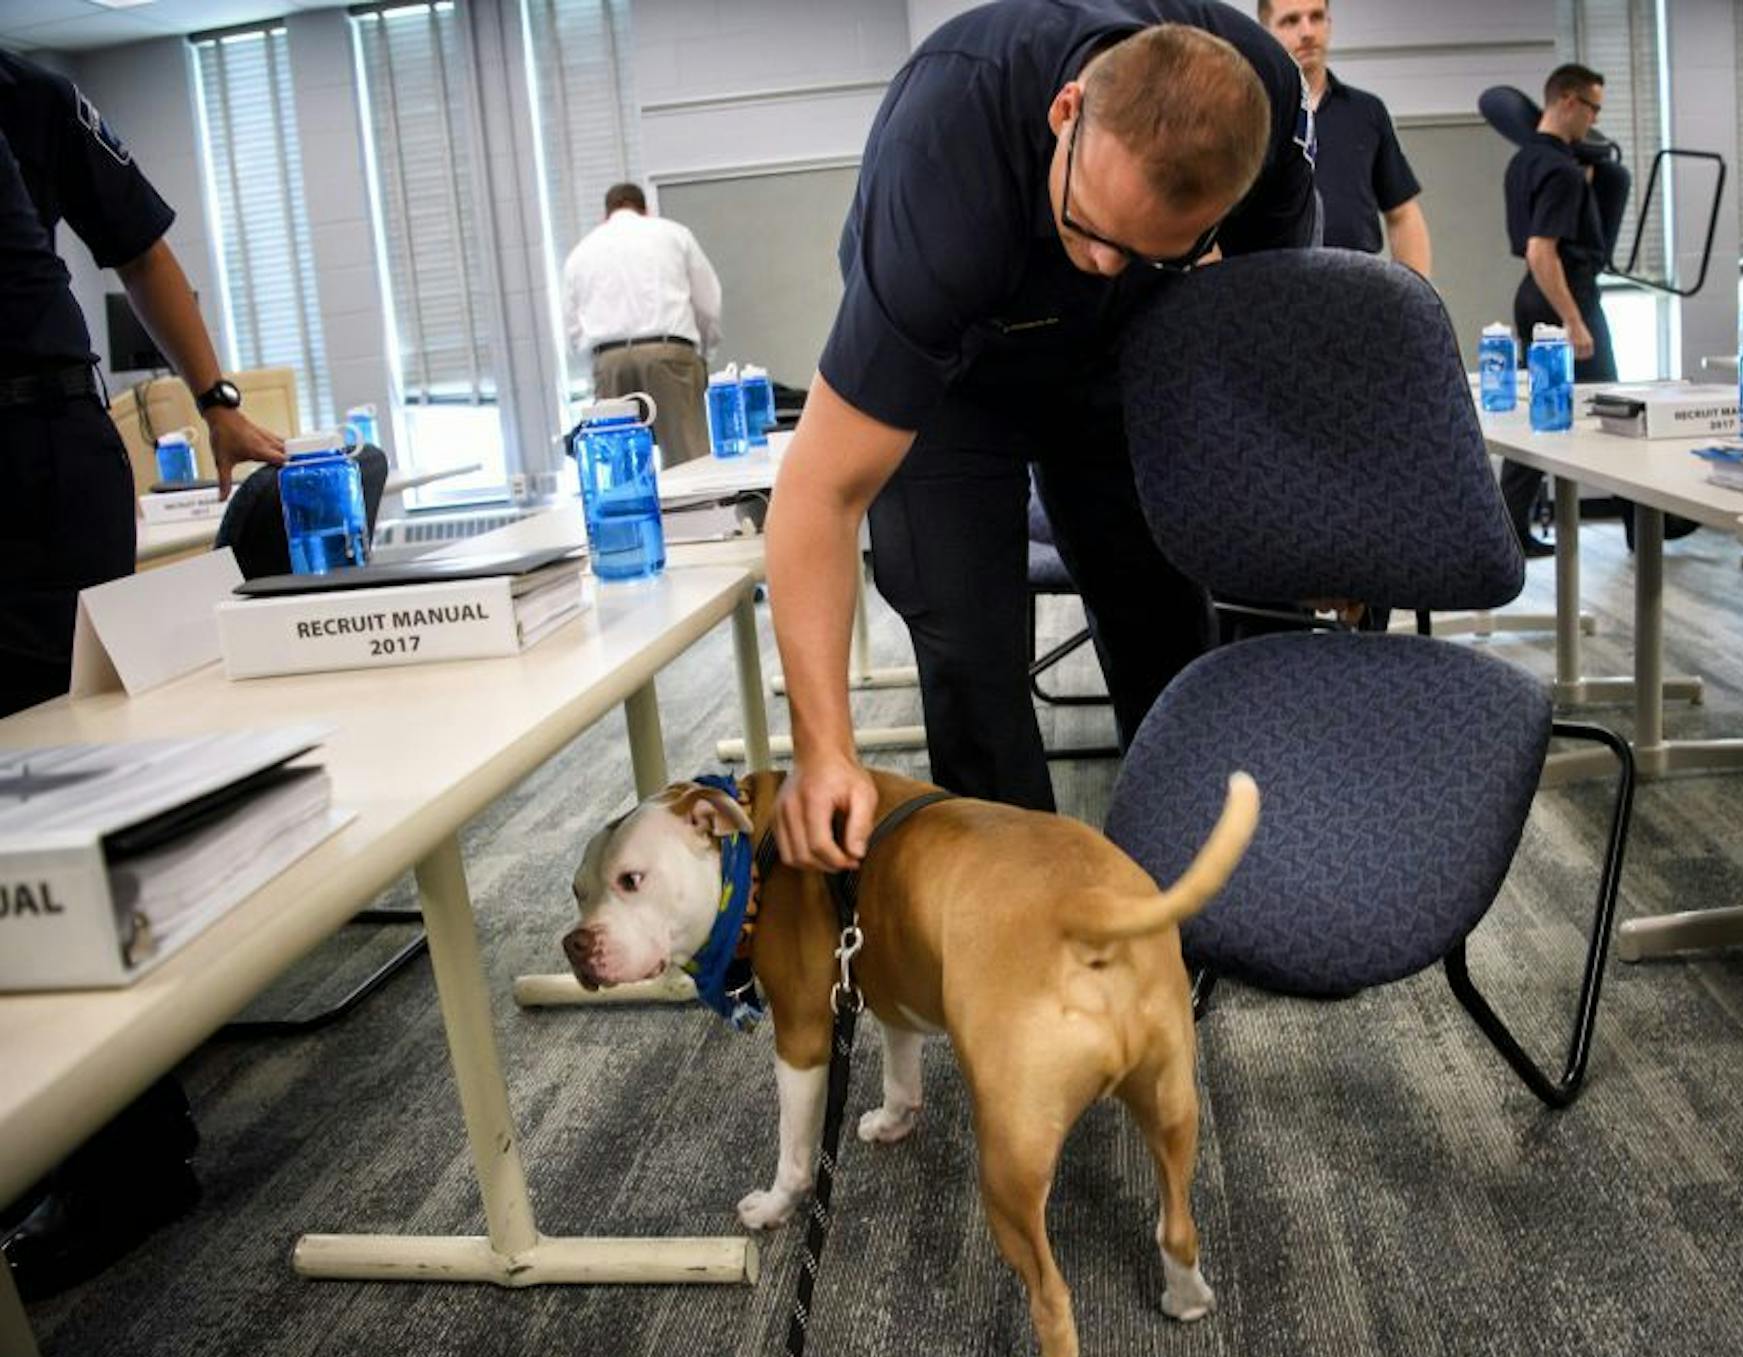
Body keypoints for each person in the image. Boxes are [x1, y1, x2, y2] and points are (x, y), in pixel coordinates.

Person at [762, 5, 1316, 872]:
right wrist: (824, 747)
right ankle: (1021, 919)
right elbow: (819, 494)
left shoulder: (1264, 94)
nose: (1099, 261)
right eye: (1090, 226)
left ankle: (1202, 876)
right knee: (969, 645)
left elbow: (1265, 316)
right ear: (1065, 112)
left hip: (1117, 354)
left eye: (1145, 248)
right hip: (956, 377)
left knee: (1159, 604)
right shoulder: (944, 170)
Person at [1, 47, 284, 1299]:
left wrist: (215, 397)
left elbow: (137, 242)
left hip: (38, 444)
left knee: (51, 781)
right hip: (45, 441)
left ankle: (122, 1142)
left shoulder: (23, 85)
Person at [1494, 63, 1611, 560]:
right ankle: (1642, 523)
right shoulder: (1560, 170)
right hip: (1563, 293)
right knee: (1610, 411)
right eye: (1593, 108)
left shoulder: (1524, 161)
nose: (1594, 120)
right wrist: (1574, 320)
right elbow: (1545, 250)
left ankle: (1508, 527)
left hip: (1533, 294)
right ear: (1567, 100)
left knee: (1544, 416)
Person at [560, 182, 723, 469]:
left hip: (610, 360)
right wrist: (703, 354)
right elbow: (707, 304)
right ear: (645, 210)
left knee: (621, 470)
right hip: (670, 353)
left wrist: (601, 363)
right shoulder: (674, 235)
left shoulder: (581, 252)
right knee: (690, 464)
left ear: (605, 214)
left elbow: (572, 327)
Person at [1261, 0, 1429, 278]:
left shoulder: (1366, 111)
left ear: (1329, 23)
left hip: (1356, 288)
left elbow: (1402, 214)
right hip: (1277, 285)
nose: (1307, 31)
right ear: (1265, 32)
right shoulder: (1253, 116)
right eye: (1290, 21)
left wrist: (1416, 298)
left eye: (1316, 17)